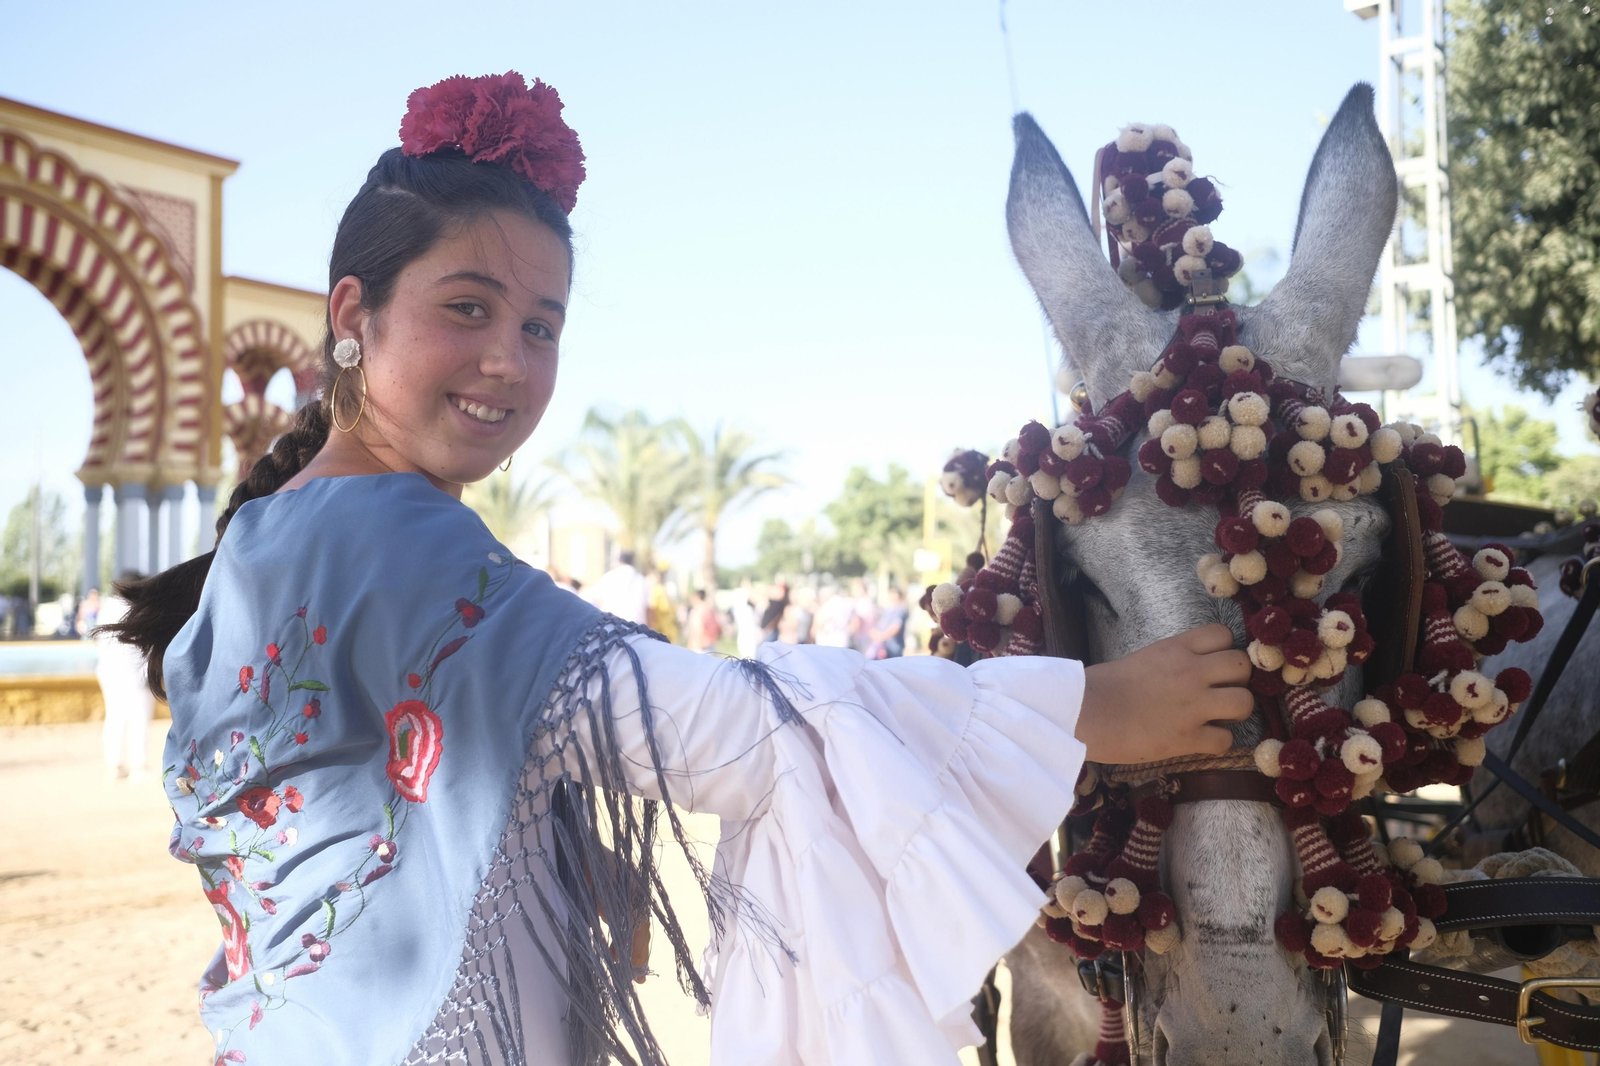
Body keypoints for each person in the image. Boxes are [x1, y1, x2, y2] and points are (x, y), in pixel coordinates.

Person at [103, 72, 1253, 1066]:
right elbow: (738, 735)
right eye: (467, 308)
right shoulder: (392, 537)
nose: (507, 361)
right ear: (354, 313)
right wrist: (1089, 704)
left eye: (542, 326)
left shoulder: (269, 538)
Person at [94, 575, 155, 779]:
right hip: (134, 674)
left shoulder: (106, 607)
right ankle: (139, 766)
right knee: (139, 719)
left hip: (109, 671)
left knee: (114, 717)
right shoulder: (136, 608)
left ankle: (115, 764)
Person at [586, 548, 647, 624]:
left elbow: (594, 599)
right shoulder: (641, 579)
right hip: (637, 628)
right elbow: (649, 608)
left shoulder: (608, 576)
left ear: (619, 561)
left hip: (612, 626)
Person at [869, 585, 909, 659]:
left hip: (894, 648)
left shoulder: (901, 610)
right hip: (883, 647)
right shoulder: (887, 609)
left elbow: (895, 627)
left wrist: (881, 636)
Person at [646, 567, 679, 644]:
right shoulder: (663, 590)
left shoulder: (656, 590)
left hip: (661, 633)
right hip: (668, 632)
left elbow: (653, 611)